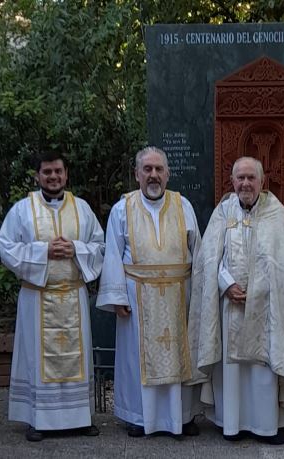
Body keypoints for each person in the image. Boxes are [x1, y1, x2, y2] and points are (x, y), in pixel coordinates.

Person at [188, 156, 284, 445]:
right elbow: (207, 260)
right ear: (232, 181)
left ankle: (267, 426)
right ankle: (233, 423)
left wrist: (258, 288)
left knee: (262, 371)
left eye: (250, 178)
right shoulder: (223, 212)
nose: (245, 183)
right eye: (240, 178)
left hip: (266, 311)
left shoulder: (275, 213)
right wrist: (226, 284)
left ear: (261, 181)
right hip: (230, 307)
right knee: (233, 373)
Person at [0, 152, 104, 442]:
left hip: (72, 295)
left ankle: (80, 418)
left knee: (75, 358)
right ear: (37, 176)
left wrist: (76, 250)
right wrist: (43, 251)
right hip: (37, 297)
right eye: (47, 172)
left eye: (58, 171)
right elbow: (6, 248)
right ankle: (38, 420)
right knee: (37, 358)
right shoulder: (22, 209)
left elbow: (99, 245)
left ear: (66, 174)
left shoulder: (82, 208)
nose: (53, 177)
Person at [96, 146, 201, 437]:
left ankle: (183, 416)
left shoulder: (184, 206)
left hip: (180, 294)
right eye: (147, 169)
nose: (153, 175)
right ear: (137, 174)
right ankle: (139, 418)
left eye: (158, 170)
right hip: (137, 296)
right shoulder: (123, 209)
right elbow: (113, 254)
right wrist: (117, 296)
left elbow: (198, 250)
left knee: (181, 355)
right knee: (136, 360)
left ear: (168, 174)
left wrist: (200, 296)